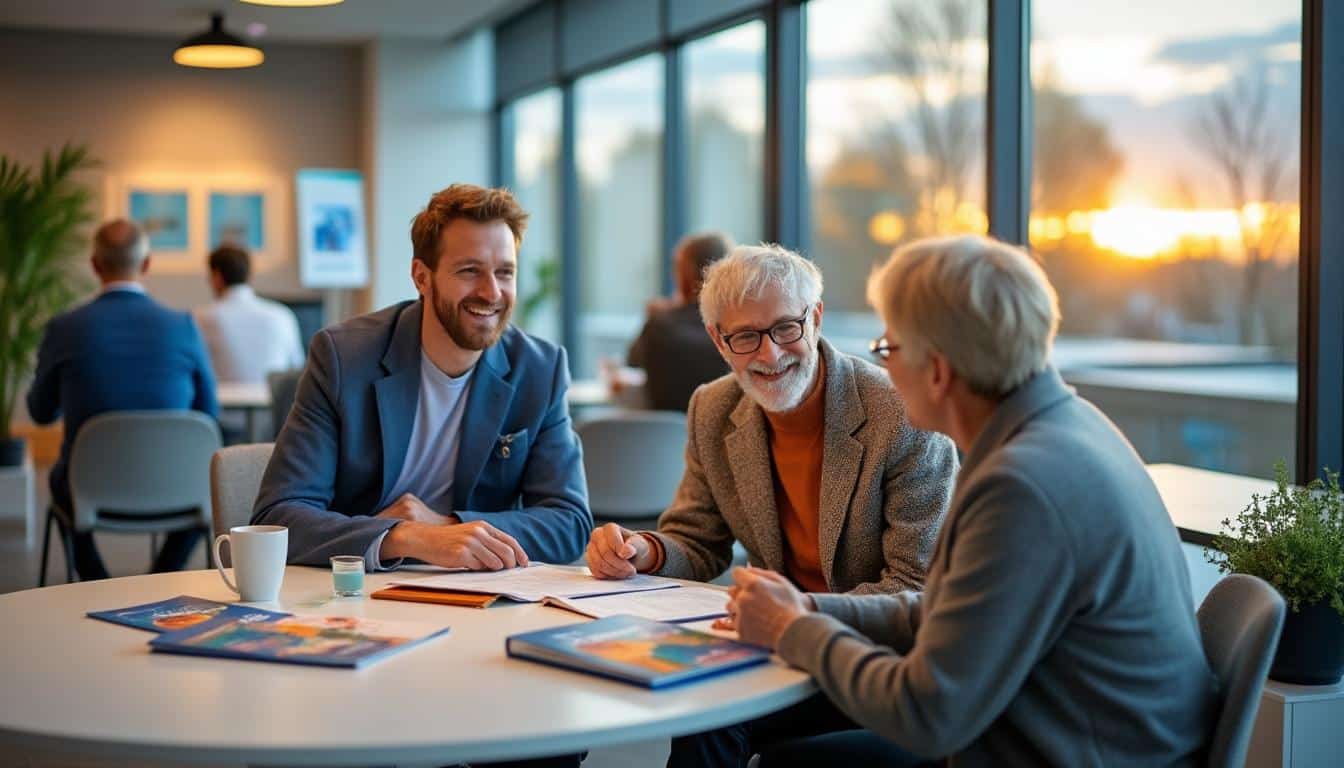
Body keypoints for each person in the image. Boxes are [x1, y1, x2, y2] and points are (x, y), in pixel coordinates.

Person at [728, 235, 1218, 767]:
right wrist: (810, 608)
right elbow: (950, 615)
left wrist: (794, 630)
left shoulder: (1023, 487)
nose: (883, 369)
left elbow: (928, 717)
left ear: (937, 370)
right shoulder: (1064, 426)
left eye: (889, 349)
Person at [585, 244, 958, 767]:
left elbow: (918, 588)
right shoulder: (714, 408)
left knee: (717, 715)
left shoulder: (900, 415)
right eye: (745, 337)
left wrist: (794, 617)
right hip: (776, 650)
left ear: (817, 318)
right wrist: (642, 550)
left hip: (880, 662)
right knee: (704, 713)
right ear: (719, 341)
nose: (770, 354)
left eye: (787, 328)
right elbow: (698, 539)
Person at [252, 183, 592, 573]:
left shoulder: (540, 369)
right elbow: (279, 517)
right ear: (421, 277)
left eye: (505, 272)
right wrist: (404, 536)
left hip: (477, 593)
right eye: (469, 271)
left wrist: (447, 528)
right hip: (358, 591)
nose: (491, 292)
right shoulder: (344, 358)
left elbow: (570, 522)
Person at [27, 219, 219, 581]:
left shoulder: (64, 328)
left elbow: (39, 414)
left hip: (88, 487)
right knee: (204, 489)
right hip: (177, 486)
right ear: (147, 264)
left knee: (59, 480)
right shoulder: (183, 325)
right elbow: (209, 414)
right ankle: (158, 577)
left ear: (95, 265)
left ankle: (97, 582)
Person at [626, 231, 733, 411]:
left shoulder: (659, 324)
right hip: (723, 431)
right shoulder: (737, 327)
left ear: (685, 274)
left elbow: (632, 362)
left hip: (664, 436)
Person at [192, 244, 304, 385]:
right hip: (272, 405)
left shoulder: (200, 318)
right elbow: (297, 368)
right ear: (249, 275)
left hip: (224, 405)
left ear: (217, 276)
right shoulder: (282, 315)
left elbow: (193, 370)